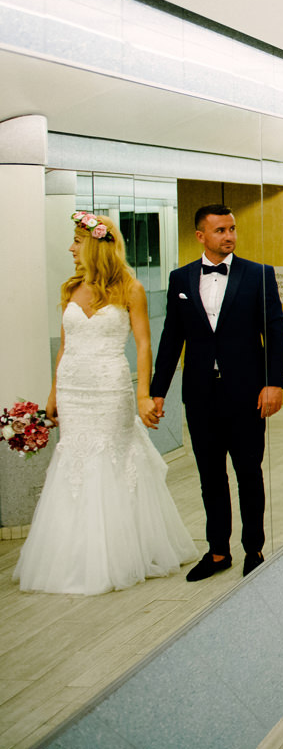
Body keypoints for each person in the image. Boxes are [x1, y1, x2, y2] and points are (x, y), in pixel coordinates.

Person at [13, 213, 197, 595]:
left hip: (110, 387)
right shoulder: (71, 288)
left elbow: (144, 345)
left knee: (111, 458)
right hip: (72, 389)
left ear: (95, 245)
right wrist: (53, 393)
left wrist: (143, 394)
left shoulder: (131, 289)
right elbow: (65, 347)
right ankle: (74, 555)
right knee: (74, 462)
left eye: (77, 241)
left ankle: (119, 553)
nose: (71, 248)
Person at [150, 204, 283, 581]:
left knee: (248, 473)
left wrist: (274, 382)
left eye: (232, 229)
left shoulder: (258, 274)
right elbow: (171, 339)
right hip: (200, 395)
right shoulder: (180, 279)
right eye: (220, 230)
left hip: (247, 393)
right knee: (210, 476)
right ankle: (217, 551)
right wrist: (157, 391)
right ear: (201, 236)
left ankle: (254, 548)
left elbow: (275, 331)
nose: (229, 236)